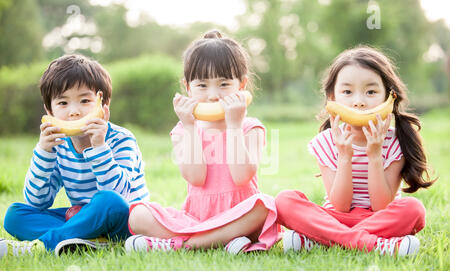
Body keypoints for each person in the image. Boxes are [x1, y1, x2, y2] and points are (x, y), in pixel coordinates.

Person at [125, 30, 279, 254]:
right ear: (187, 87)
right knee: (138, 214)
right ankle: (222, 242)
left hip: (240, 217)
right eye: (202, 86)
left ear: (242, 85)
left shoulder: (250, 127)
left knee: (265, 206)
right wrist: (189, 127)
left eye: (224, 84)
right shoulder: (183, 130)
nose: (213, 95)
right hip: (196, 219)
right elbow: (195, 178)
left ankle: (182, 245)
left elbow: (242, 177)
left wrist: (234, 126)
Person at [275, 46, 436, 257]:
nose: (358, 101)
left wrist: (375, 154)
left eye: (370, 91)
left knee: (413, 210)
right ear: (333, 97)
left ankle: (321, 240)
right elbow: (340, 206)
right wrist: (344, 156)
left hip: (378, 219)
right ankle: (378, 245)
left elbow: (381, 206)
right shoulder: (327, 141)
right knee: (284, 200)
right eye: (347, 92)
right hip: (335, 218)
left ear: (389, 96)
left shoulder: (395, 141)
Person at [0, 54, 149, 258]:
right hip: (81, 216)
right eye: (62, 103)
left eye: (85, 100)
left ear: (103, 106)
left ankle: (42, 246)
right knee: (15, 215)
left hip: (124, 220)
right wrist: (44, 153)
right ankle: (89, 240)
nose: (74, 112)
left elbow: (120, 197)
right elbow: (37, 202)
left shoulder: (122, 139)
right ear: (49, 111)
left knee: (109, 201)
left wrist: (99, 147)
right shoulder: (58, 144)